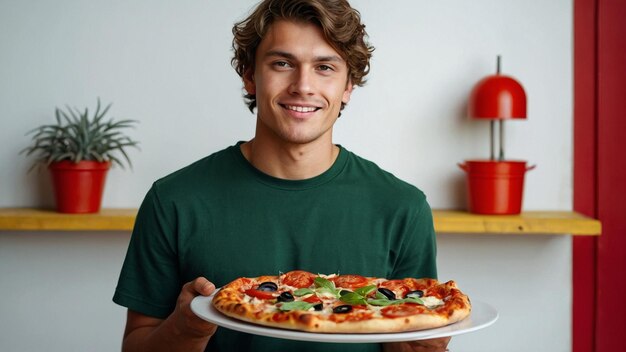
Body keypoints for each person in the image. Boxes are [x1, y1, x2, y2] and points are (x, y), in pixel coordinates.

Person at [113, 0, 451, 351]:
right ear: (249, 76)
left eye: (324, 67)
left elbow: (410, 331)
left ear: (348, 85)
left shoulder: (403, 207)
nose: (302, 85)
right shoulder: (174, 200)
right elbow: (137, 343)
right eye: (282, 63)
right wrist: (188, 329)